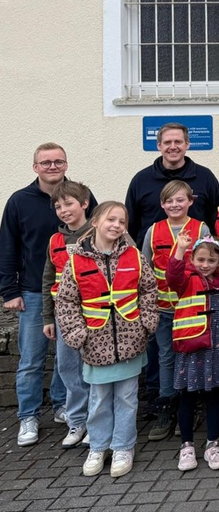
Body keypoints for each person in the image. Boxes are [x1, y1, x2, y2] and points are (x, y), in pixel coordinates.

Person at [0, 142, 97, 447]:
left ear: (66, 165)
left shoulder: (81, 196)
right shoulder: (19, 201)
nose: (52, 166)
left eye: (58, 161)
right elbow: (8, 246)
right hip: (33, 291)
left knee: (66, 358)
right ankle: (27, 416)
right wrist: (9, 290)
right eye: (46, 162)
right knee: (31, 359)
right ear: (35, 167)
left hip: (79, 296)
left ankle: (62, 406)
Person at [55, 202, 158, 477]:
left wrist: (146, 321)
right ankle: (98, 446)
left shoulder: (135, 256)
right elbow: (66, 300)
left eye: (122, 222)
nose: (116, 225)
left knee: (127, 397)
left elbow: (148, 288)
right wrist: (77, 333)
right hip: (95, 342)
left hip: (130, 339)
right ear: (96, 221)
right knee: (99, 398)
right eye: (111, 219)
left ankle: (123, 446)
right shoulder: (76, 261)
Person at [142, 180, 210, 441]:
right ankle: (167, 406)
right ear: (162, 204)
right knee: (166, 357)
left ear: (190, 201)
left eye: (180, 200)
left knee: (192, 356)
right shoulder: (154, 230)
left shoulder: (200, 227)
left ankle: (191, 405)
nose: (174, 205)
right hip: (163, 308)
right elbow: (145, 268)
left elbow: (209, 262)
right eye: (169, 201)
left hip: (191, 306)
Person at [167, 233, 219, 472]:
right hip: (191, 348)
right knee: (187, 396)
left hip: (216, 350)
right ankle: (186, 446)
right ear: (192, 259)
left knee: (213, 396)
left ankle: (212, 445)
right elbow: (172, 276)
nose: (205, 265)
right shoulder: (186, 279)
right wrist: (179, 250)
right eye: (200, 259)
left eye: (211, 260)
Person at [41, 180, 93, 449]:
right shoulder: (55, 240)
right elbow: (48, 279)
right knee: (68, 368)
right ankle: (77, 420)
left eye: (69, 203)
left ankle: (96, 422)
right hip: (64, 317)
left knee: (94, 370)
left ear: (84, 204)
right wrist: (47, 318)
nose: (63, 210)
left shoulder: (98, 234)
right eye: (58, 206)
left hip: (95, 315)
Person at [125, 122, 219, 247]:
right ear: (159, 145)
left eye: (178, 142)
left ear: (187, 144)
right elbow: (131, 223)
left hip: (197, 260)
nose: (173, 146)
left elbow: (215, 219)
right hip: (153, 259)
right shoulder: (141, 180)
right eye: (167, 142)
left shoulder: (205, 177)